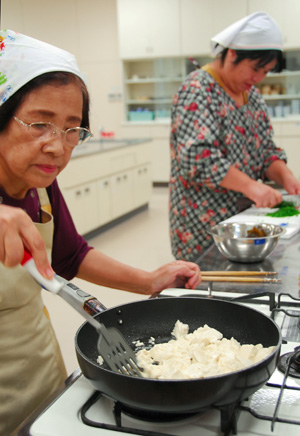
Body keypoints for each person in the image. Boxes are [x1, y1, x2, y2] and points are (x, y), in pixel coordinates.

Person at [0, 30, 201, 436]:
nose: (57, 147)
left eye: (72, 129)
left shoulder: (39, 181)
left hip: (38, 371)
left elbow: (70, 257)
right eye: (39, 123)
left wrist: (148, 281)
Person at [169, 11, 300, 262]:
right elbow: (198, 158)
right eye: (255, 69)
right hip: (203, 226)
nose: (258, 78)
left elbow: (265, 151)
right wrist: (251, 186)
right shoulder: (198, 89)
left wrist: (286, 177)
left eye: (266, 72)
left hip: (244, 222)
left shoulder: (253, 95)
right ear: (232, 55)